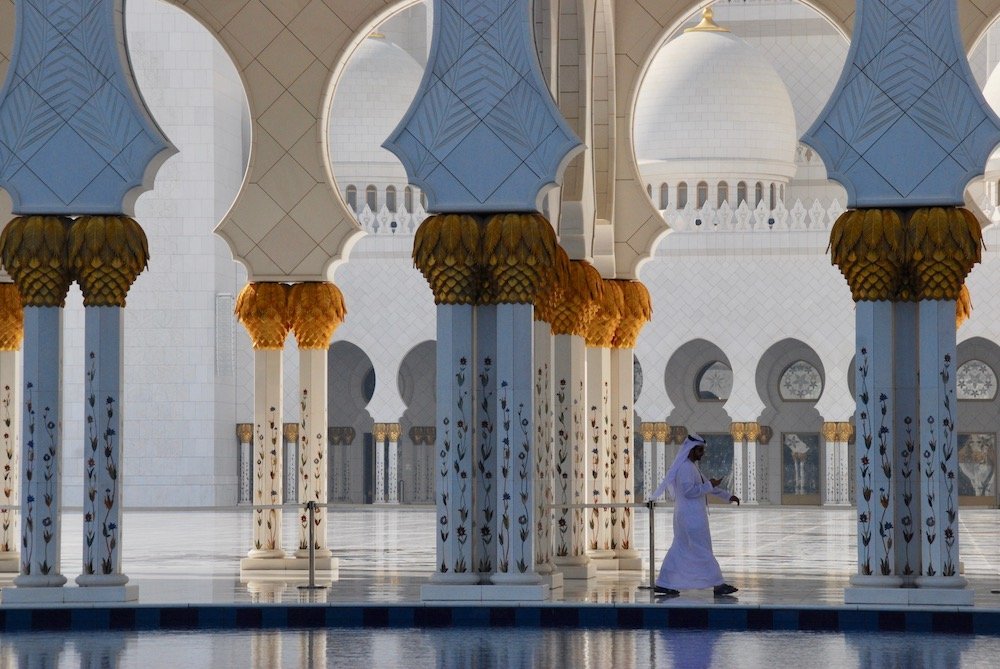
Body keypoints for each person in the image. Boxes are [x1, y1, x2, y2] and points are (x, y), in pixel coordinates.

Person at [649, 432, 740, 597]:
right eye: (699, 450)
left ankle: (663, 583)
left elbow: (706, 486)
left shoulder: (691, 467)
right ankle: (718, 584)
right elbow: (689, 491)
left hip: (690, 516)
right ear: (690, 450)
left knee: (680, 548)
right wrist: (710, 485)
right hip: (690, 518)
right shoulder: (685, 468)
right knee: (702, 549)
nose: (702, 454)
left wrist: (727, 496)